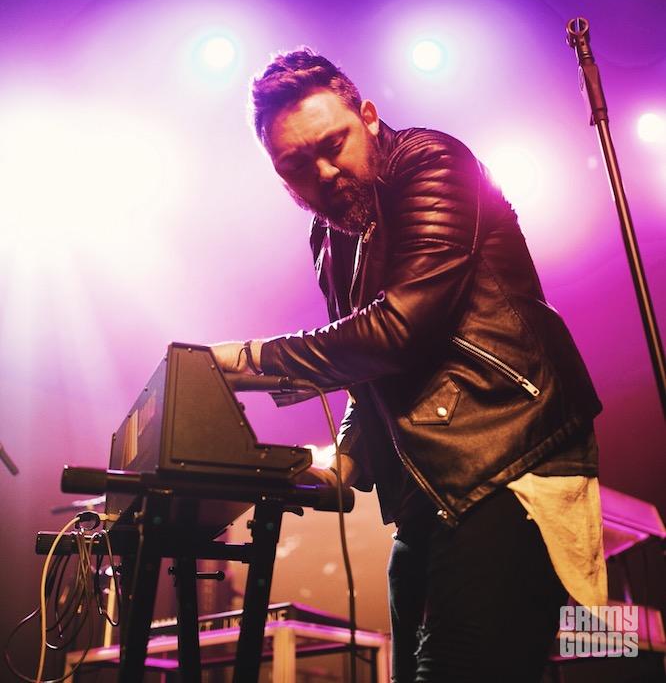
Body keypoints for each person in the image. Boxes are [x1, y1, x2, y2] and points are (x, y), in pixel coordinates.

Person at [212, 49, 606, 682]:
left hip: (509, 460)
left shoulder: (432, 161)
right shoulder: (330, 237)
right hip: (430, 488)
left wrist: (246, 360)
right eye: (295, 165)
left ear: (368, 116)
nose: (323, 172)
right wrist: (347, 460)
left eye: (332, 144)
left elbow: (399, 329)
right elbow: (369, 371)